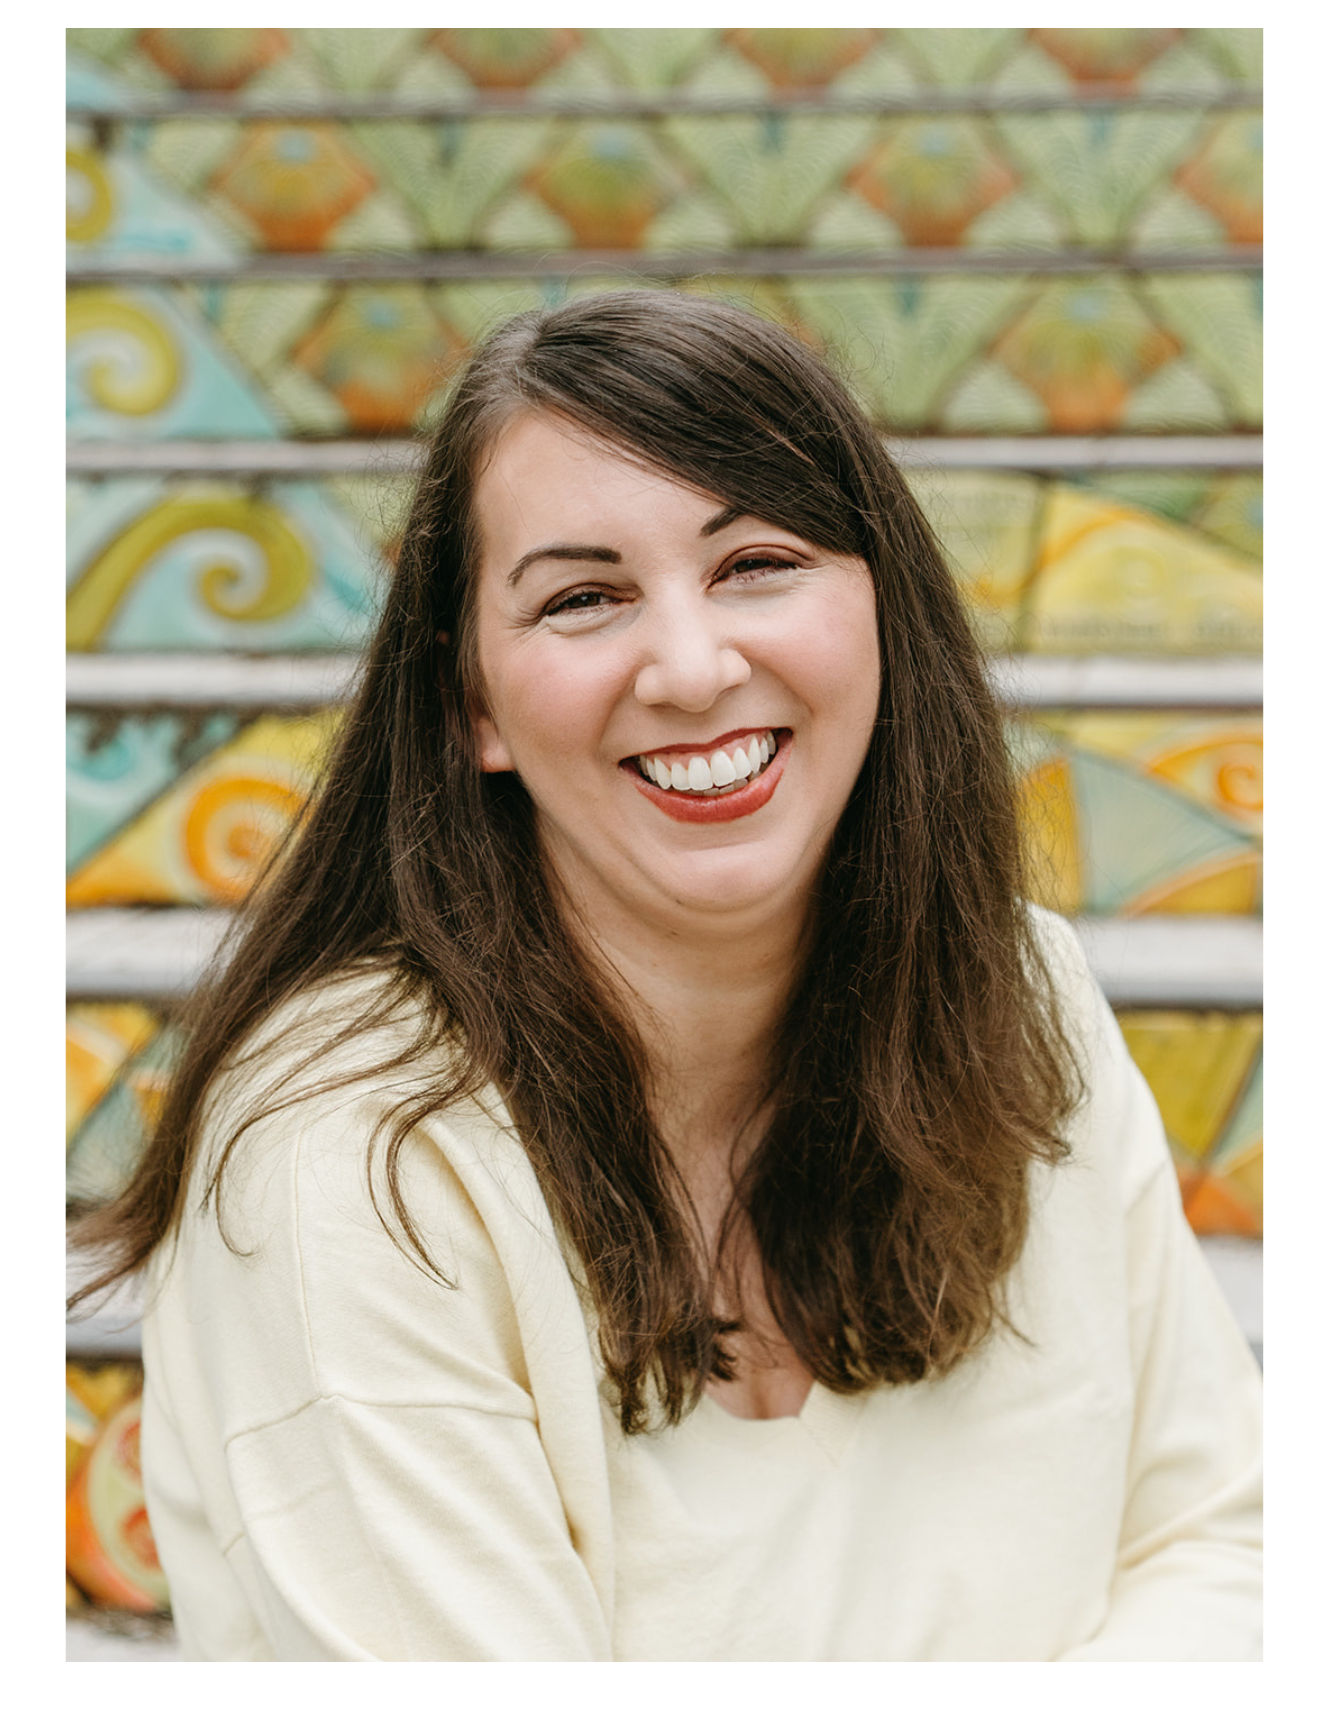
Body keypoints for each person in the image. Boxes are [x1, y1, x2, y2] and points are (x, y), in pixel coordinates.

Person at [69, 289, 1262, 1661]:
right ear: (474, 707)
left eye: (757, 562)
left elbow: (1223, 1539)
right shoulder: (346, 1162)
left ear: (881, 604)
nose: (694, 668)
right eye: (584, 598)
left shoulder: (1020, 995)